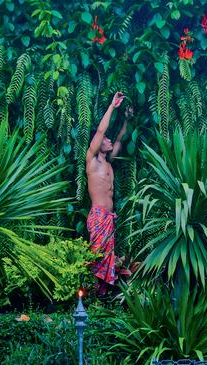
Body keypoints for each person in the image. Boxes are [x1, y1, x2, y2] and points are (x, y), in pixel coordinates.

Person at [86, 92, 130, 294]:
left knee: (107, 257)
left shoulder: (108, 162)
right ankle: (92, 295)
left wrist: (126, 121)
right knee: (97, 258)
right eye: (106, 139)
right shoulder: (92, 160)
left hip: (109, 219)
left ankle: (102, 297)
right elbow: (101, 130)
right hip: (98, 216)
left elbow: (120, 140)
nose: (109, 139)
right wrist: (112, 106)